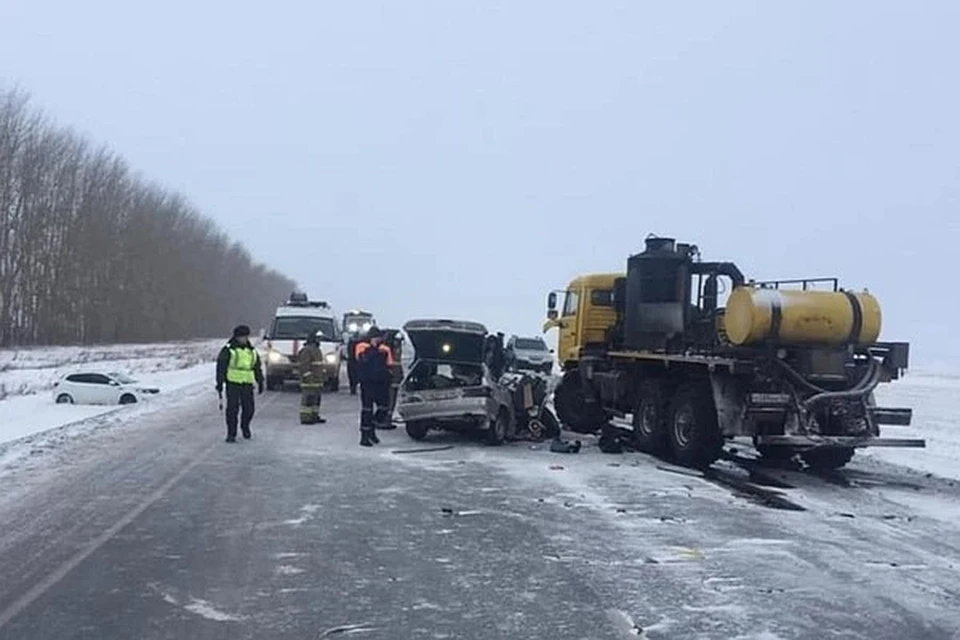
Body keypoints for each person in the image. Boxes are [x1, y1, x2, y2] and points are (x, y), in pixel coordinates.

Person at [215, 324, 264, 442]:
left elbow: (257, 367)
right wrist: (220, 383)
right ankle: (231, 433)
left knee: (249, 409)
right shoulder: (228, 349)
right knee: (232, 410)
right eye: (242, 337)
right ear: (236, 337)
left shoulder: (251, 351)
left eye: (246, 336)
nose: (245, 339)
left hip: (247, 383)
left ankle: (245, 426)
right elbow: (221, 366)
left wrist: (260, 380)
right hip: (233, 383)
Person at [354, 326, 395, 446]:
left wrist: (389, 378)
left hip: (381, 383)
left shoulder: (385, 349)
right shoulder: (361, 346)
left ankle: (372, 428)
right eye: (375, 337)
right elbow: (363, 359)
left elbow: (390, 365)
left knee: (384, 408)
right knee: (367, 410)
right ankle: (365, 436)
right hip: (367, 383)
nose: (377, 339)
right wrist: (373, 348)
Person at [297, 332, 328, 424]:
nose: (319, 341)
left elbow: (318, 364)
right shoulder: (306, 350)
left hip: (317, 380)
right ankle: (305, 418)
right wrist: (308, 376)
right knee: (308, 400)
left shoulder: (317, 349)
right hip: (309, 381)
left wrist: (323, 374)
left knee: (316, 400)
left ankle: (314, 416)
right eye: (318, 338)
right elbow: (304, 366)